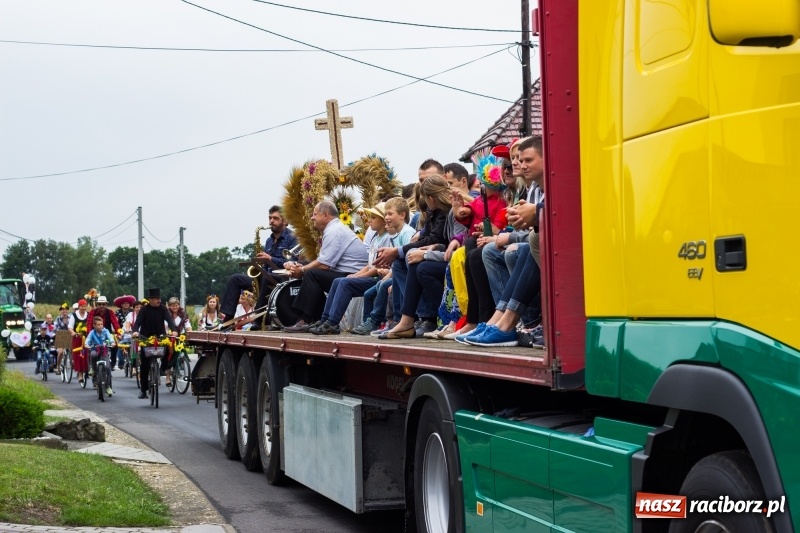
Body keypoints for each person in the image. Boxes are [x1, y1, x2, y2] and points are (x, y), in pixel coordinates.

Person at [376, 175, 464, 339]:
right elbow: (434, 240)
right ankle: (408, 319)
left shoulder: (449, 212)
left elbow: (453, 244)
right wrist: (431, 248)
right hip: (446, 256)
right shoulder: (435, 212)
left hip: (455, 261)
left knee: (420, 266)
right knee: (402, 262)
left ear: (431, 198)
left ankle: (429, 317)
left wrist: (425, 253)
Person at [309, 202, 395, 335]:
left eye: (373, 217)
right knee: (337, 281)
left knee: (345, 283)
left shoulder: (387, 239)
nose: (369, 220)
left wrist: (358, 276)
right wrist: (356, 275)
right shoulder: (376, 238)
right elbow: (370, 264)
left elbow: (378, 267)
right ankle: (325, 320)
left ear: (383, 221)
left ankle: (332, 323)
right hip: (373, 276)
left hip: (380, 278)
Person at [283, 201, 369, 332]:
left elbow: (324, 265)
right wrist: (300, 266)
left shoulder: (334, 231)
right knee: (312, 273)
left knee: (312, 274)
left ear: (325, 215)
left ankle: (306, 320)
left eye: (315, 214)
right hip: (347, 272)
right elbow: (323, 261)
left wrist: (302, 269)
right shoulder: (335, 228)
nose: (312, 218)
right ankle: (319, 319)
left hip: (355, 276)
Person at [219, 205, 298, 323]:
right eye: (270, 218)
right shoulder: (269, 240)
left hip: (282, 279)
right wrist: (260, 263)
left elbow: (294, 262)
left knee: (266, 277)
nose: (271, 221)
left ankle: (258, 319)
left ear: (285, 221)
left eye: (275, 218)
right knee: (235, 279)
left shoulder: (292, 238)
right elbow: (266, 265)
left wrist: (270, 259)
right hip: (267, 277)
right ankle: (228, 318)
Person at [351, 198, 416, 335]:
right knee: (370, 292)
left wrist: (388, 276)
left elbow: (407, 260)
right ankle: (370, 322)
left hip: (407, 274)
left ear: (402, 215)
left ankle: (388, 320)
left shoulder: (406, 233)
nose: (386, 217)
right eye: (385, 214)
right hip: (398, 274)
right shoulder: (397, 234)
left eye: (390, 214)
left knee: (385, 285)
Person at [132, 288, 178, 399]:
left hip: (160, 336)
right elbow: (138, 322)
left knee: (168, 349)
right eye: (156, 298)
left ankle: (162, 368)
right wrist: (135, 331)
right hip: (146, 337)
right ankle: (143, 390)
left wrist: (174, 330)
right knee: (144, 365)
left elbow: (169, 320)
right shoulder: (144, 309)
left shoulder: (163, 308)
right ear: (150, 300)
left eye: (159, 298)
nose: (159, 300)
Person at [87, 295, 121, 369]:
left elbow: (115, 324)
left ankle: (112, 363)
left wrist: (119, 333)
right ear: (97, 304)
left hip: (107, 335)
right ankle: (91, 366)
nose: (101, 306)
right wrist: (90, 335)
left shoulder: (110, 312)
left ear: (106, 304)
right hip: (95, 335)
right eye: (99, 304)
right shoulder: (93, 312)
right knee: (90, 350)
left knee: (115, 344)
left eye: (103, 304)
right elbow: (89, 324)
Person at [85, 315, 116, 395]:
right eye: (98, 325)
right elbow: (88, 339)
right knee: (93, 355)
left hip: (104, 351)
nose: (100, 326)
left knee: (108, 367)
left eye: (101, 324)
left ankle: (108, 386)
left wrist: (112, 342)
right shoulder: (92, 332)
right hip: (95, 349)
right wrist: (86, 344)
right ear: (94, 325)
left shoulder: (106, 331)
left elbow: (110, 337)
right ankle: (93, 368)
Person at [166, 296, 191, 387]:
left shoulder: (183, 314)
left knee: (182, 350)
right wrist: (168, 333)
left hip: (180, 336)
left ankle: (181, 363)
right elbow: (165, 325)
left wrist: (190, 332)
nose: (174, 307)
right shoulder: (167, 314)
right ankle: (168, 376)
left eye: (176, 305)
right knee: (170, 355)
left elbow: (187, 324)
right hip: (170, 337)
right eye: (172, 305)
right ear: (169, 306)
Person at [69, 299, 90, 385]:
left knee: (87, 354)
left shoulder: (88, 315)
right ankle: (80, 374)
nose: (83, 308)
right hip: (77, 337)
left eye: (85, 306)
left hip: (87, 337)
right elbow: (70, 327)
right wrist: (73, 333)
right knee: (79, 355)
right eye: (82, 306)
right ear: (79, 306)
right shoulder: (74, 315)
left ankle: (87, 369)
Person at [114, 295, 136, 370]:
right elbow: (115, 324)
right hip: (121, 331)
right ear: (121, 304)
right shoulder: (117, 313)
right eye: (124, 303)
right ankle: (121, 362)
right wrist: (118, 333)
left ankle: (135, 363)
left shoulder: (132, 312)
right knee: (120, 345)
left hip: (132, 331)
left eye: (127, 303)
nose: (126, 304)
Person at [54, 303, 71, 372]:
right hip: (60, 335)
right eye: (62, 310)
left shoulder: (71, 318)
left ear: (68, 310)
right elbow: (55, 328)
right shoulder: (58, 318)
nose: (64, 311)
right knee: (60, 352)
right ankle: (58, 366)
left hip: (69, 335)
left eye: (66, 309)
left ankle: (72, 363)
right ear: (60, 311)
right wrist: (56, 333)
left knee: (73, 351)